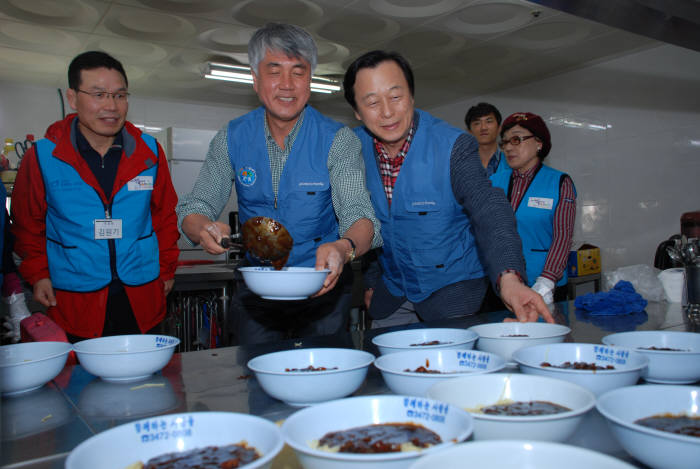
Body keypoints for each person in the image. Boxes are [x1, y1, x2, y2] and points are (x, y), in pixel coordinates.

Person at [177, 23, 381, 345]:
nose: (287, 85)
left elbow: (360, 216)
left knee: (325, 377)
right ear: (256, 80)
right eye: (275, 71)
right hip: (258, 289)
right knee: (253, 378)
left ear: (310, 79)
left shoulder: (337, 140)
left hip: (323, 288)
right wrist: (203, 227)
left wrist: (343, 249)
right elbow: (195, 207)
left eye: (298, 72)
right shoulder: (231, 138)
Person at [343, 50, 553, 324]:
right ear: (357, 112)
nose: (387, 112)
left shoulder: (453, 146)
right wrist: (371, 281)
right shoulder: (351, 149)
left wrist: (509, 277)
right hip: (392, 290)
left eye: (396, 96)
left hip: (452, 288)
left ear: (412, 96)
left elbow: (489, 210)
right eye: (372, 102)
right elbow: (362, 219)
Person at [11, 51, 180, 342]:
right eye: (99, 94)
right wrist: (38, 274)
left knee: (147, 382)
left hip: (142, 295)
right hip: (75, 298)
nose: (111, 106)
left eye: (119, 95)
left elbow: (164, 216)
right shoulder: (42, 157)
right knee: (80, 384)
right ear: (73, 99)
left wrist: (166, 270)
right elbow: (28, 224)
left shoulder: (149, 152)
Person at [490, 112, 576, 306]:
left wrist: (546, 281)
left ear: (539, 143)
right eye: (504, 143)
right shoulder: (494, 183)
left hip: (544, 285)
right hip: (503, 286)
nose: (509, 147)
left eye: (516, 139)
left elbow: (562, 237)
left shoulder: (559, 182)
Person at [465, 102, 505, 177]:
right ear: (469, 132)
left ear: (499, 128)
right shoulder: (461, 166)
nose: (483, 128)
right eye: (477, 123)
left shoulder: (511, 163)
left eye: (489, 121)